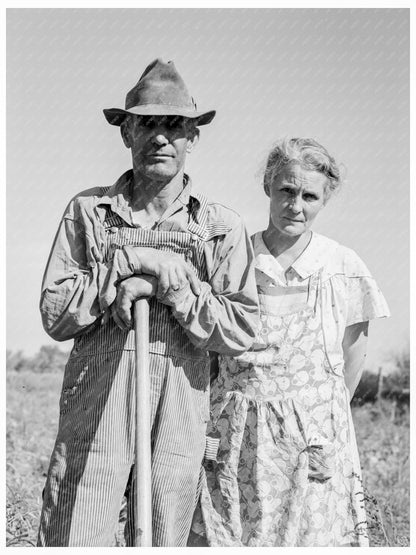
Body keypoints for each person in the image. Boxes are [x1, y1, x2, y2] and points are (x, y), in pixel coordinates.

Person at [37, 58, 259, 547]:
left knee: (163, 531)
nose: (161, 137)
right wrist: (129, 260)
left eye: (174, 125)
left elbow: (241, 330)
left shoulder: (220, 226)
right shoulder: (89, 213)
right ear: (126, 132)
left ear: (192, 137)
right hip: (98, 398)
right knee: (78, 531)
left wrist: (165, 285)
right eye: (148, 124)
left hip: (180, 401)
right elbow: (55, 312)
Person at [189, 138, 390, 547]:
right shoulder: (234, 257)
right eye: (286, 190)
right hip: (236, 430)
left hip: (313, 437)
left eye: (309, 196)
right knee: (229, 531)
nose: (295, 205)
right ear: (268, 186)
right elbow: (208, 347)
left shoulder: (342, 266)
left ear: (323, 200)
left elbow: (353, 357)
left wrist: (317, 419)